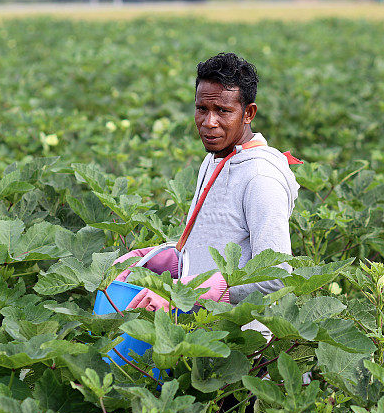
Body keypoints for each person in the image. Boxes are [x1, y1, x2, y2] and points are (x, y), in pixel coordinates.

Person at [113, 52, 300, 312]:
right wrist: (159, 258)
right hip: (199, 325)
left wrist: (187, 292)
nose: (209, 123)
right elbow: (214, 244)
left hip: (240, 339)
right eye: (202, 109)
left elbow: (275, 275)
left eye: (223, 111)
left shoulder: (260, 178)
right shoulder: (214, 157)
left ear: (248, 113)